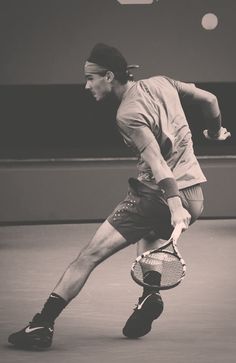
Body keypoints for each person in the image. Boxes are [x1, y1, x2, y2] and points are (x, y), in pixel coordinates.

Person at [8, 43, 231, 349]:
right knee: (151, 234)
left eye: (91, 78)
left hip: (161, 194)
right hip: (195, 196)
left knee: (88, 256)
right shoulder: (162, 82)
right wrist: (215, 132)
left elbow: (157, 161)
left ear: (109, 76)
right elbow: (210, 99)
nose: (87, 85)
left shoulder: (127, 113)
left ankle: (41, 325)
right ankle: (150, 294)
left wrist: (174, 203)